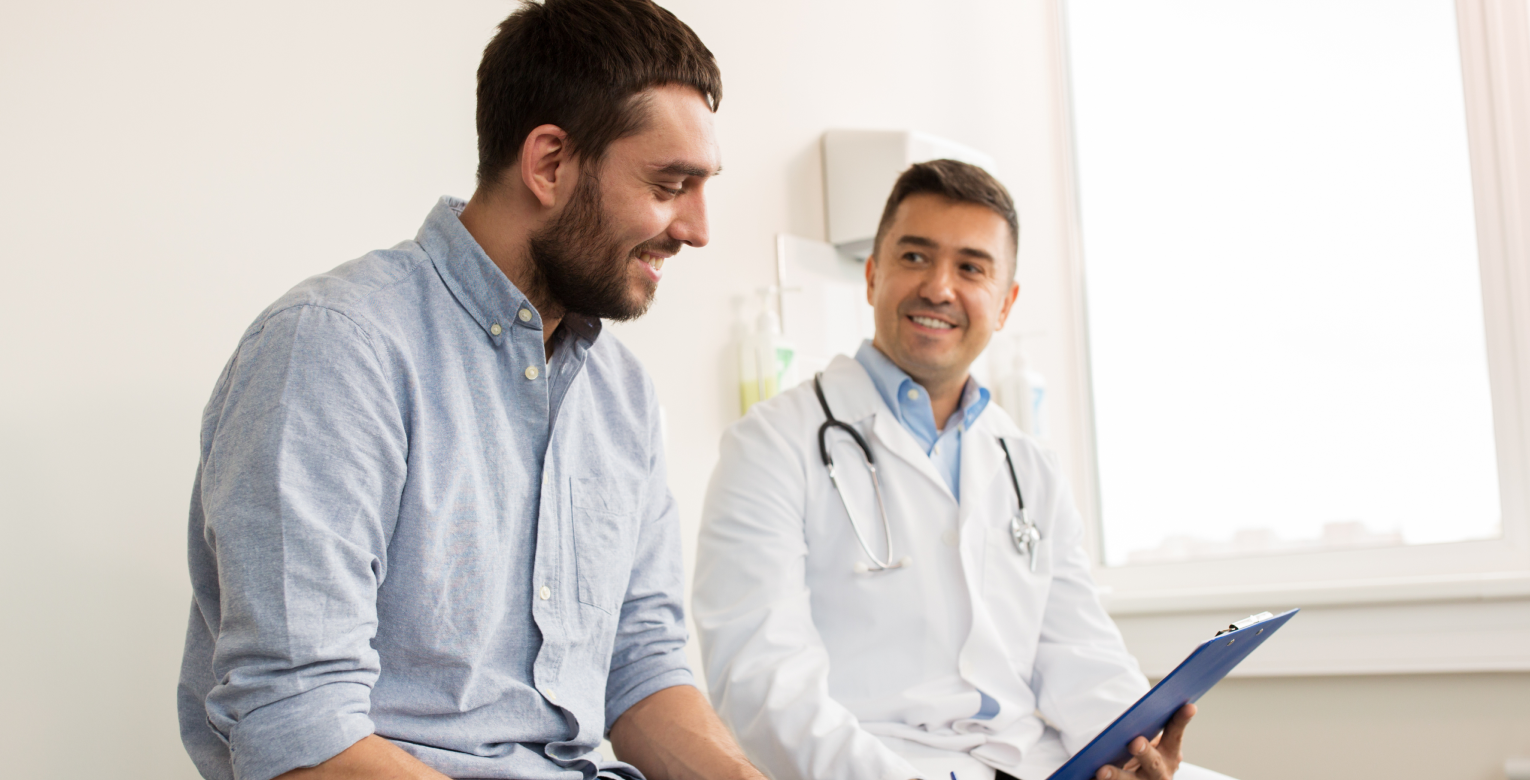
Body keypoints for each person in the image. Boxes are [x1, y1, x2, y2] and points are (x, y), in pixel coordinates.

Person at [177, 3, 766, 780]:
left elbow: (641, 670)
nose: (696, 228)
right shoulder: (334, 349)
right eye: (669, 184)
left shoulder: (620, 393)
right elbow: (300, 727)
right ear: (550, 164)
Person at [692, 160, 1236, 780]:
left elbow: (1079, 651)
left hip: (1039, 762)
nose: (939, 288)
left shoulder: (1028, 464)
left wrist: (1132, 755)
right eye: (915, 257)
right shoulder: (769, 446)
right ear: (872, 277)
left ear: (1005, 303)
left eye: (971, 267)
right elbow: (761, 684)